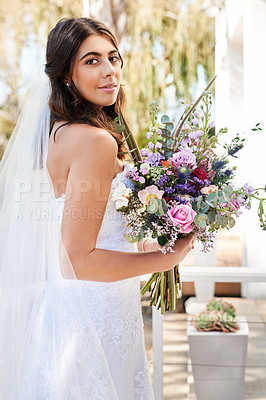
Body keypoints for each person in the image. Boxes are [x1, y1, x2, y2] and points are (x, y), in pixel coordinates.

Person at [0, 17, 194, 399]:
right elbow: (79, 260)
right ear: (67, 75)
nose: (110, 71)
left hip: (73, 311)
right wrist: (165, 260)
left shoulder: (60, 134)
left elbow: (89, 230)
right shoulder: (95, 142)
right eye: (92, 61)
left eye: (113, 58)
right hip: (93, 322)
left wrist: (149, 242)